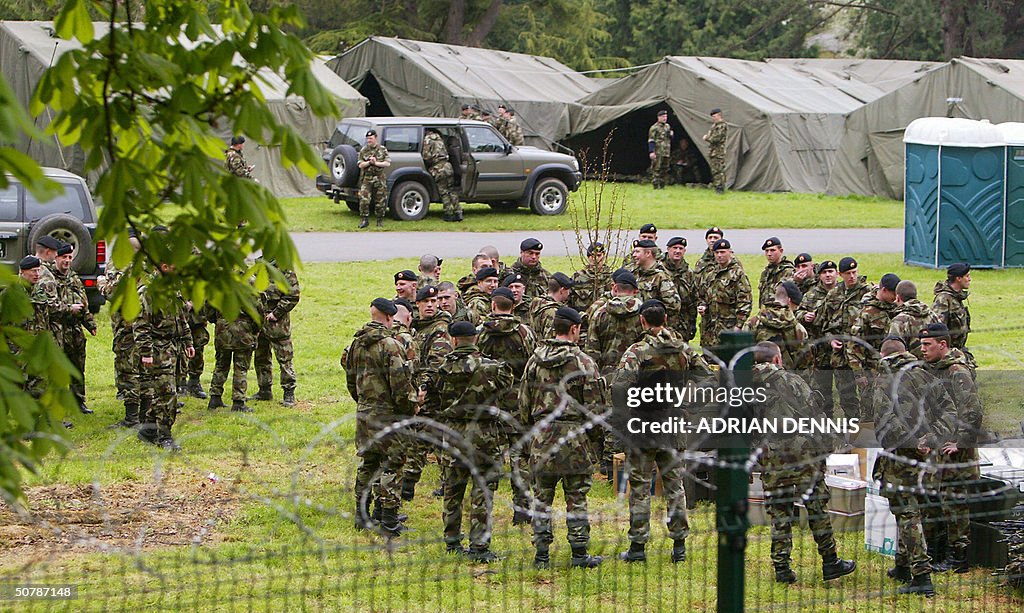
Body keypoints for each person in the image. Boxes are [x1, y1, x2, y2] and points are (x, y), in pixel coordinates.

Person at [751, 341, 857, 585]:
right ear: (777, 359)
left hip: (770, 455)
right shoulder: (791, 381)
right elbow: (814, 415)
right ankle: (830, 562)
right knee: (816, 506)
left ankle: (782, 568)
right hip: (803, 453)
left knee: (779, 510)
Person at [520, 307, 605, 569]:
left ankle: (541, 554)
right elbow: (595, 409)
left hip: (543, 434)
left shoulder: (535, 360)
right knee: (576, 496)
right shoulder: (584, 363)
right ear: (575, 329)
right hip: (574, 436)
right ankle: (579, 553)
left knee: (541, 497)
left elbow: (523, 402)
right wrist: (595, 439)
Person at [870, 336, 955, 597]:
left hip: (902, 459)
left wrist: (914, 441)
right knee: (913, 510)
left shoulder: (884, 381)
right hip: (928, 458)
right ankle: (902, 565)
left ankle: (921, 575)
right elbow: (950, 412)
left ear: (884, 356)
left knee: (907, 514)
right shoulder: (928, 376)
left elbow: (884, 423)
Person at [612, 301, 691, 564]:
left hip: (644, 426)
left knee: (640, 487)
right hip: (672, 424)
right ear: (665, 319)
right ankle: (679, 545)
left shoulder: (637, 351)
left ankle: (637, 546)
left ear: (642, 321)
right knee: (674, 485)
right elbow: (706, 376)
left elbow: (620, 386)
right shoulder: (682, 349)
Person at [434, 321, 514, 562]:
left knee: (452, 489)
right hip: (485, 434)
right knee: (483, 491)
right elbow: (507, 393)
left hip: (454, 431)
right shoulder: (494, 368)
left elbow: (435, 398)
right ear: (475, 339)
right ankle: (479, 545)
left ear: (454, 340)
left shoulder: (442, 369)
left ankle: (451, 540)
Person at [343, 298, 417, 536]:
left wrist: (362, 401)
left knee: (368, 463)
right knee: (392, 465)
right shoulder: (390, 345)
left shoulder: (356, 344)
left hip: (365, 412)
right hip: (388, 415)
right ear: (389, 318)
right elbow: (400, 384)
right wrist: (409, 407)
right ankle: (389, 520)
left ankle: (361, 515)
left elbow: (351, 379)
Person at [920, 322, 982, 575]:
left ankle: (959, 557)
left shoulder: (957, 371)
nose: (922, 349)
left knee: (953, 503)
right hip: (936, 446)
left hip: (954, 451)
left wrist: (961, 442)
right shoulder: (934, 369)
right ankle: (936, 552)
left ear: (942, 345)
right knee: (932, 497)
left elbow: (972, 410)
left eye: (927, 344)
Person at [476, 287, 537, 525]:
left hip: (488, 400)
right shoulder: (525, 333)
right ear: (513, 306)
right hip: (517, 401)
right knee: (520, 456)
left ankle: (484, 507)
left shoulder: (481, 332)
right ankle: (521, 508)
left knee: (488, 456)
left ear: (493, 305)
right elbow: (532, 366)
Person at [400, 285, 454, 501]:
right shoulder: (418, 327)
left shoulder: (440, 328)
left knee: (428, 439)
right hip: (423, 391)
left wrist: (422, 388)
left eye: (434, 302)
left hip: (434, 393)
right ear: (418, 305)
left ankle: (411, 485)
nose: (431, 305)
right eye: (426, 302)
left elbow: (436, 363)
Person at [135, 264, 195, 451]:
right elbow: (141, 325)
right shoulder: (147, 291)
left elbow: (181, 318)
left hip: (174, 347)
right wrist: (146, 353)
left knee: (166, 391)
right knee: (168, 393)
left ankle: (148, 430)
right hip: (158, 348)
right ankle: (165, 436)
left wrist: (188, 341)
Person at [819, 257, 871, 421]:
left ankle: (868, 433)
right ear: (840, 274)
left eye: (854, 272)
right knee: (846, 396)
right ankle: (852, 429)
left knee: (868, 395)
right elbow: (825, 324)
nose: (852, 277)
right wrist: (831, 339)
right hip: (840, 355)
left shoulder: (868, 293)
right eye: (848, 273)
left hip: (862, 354)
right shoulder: (833, 294)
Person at [53, 242, 97, 414]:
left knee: (78, 367)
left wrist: (90, 324)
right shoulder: (50, 279)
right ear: (56, 258)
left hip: (75, 330)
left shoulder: (74, 278)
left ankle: (78, 402)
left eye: (70, 257)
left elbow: (84, 302)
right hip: (59, 329)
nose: (67, 260)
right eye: (64, 257)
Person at [253, 266, 301, 406]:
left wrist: (276, 313)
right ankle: (264, 390)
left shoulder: (286, 270)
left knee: (284, 358)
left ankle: (289, 393)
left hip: (278, 324)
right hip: (260, 321)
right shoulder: (259, 267)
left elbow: (293, 295)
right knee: (261, 356)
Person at [797, 260, 839, 416]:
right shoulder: (812, 295)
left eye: (831, 272)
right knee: (822, 389)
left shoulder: (844, 292)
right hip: (820, 350)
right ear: (819, 276)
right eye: (824, 273)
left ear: (837, 273)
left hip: (840, 349)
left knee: (846, 389)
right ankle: (826, 422)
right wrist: (804, 316)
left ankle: (850, 427)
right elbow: (797, 313)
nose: (828, 275)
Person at [697, 239, 751, 349]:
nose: (719, 255)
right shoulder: (711, 274)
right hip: (710, 328)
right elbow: (702, 295)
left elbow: (745, 301)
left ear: (730, 252)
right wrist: (702, 305)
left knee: (727, 361)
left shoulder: (737, 274)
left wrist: (738, 325)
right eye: (717, 253)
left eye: (723, 252)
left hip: (728, 327)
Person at [207, 304, 259, 414]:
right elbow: (259, 310)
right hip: (243, 330)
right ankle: (238, 402)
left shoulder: (219, 286)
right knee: (241, 367)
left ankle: (214, 398)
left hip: (222, 329)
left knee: (221, 365)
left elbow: (209, 307)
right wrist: (254, 328)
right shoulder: (251, 287)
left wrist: (217, 320)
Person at [746, 281, 809, 370]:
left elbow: (742, 356)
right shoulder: (798, 329)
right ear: (789, 301)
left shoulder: (753, 323)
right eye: (795, 307)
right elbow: (805, 364)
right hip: (788, 380)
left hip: (758, 379)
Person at [847, 273, 900, 374]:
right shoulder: (867, 313)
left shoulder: (894, 306)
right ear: (884, 290)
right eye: (894, 294)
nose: (896, 298)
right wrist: (859, 374)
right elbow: (854, 345)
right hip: (872, 369)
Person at [932, 263, 974, 367]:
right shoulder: (943, 299)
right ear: (958, 278)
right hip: (948, 355)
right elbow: (937, 328)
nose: (970, 279)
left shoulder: (956, 298)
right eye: (967, 276)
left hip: (958, 350)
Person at [631, 239, 681, 324]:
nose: (634, 255)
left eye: (637, 252)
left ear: (648, 253)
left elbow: (673, 305)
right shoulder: (634, 274)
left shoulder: (661, 276)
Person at [887, 280, 939, 359]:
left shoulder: (899, 320)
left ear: (897, 298)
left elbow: (894, 351)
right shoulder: (932, 314)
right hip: (933, 364)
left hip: (911, 367)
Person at [661, 236, 698, 341]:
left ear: (684, 251)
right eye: (675, 248)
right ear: (668, 249)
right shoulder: (659, 270)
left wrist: (692, 323)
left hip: (682, 326)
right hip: (662, 323)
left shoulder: (688, 273)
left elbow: (693, 300)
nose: (677, 251)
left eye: (681, 249)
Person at [422, 128, 461, 222]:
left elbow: (426, 156)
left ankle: (448, 213)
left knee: (443, 191)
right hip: (448, 166)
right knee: (451, 190)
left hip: (438, 168)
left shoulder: (427, 140)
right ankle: (458, 212)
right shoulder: (440, 139)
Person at [357, 129, 391, 229]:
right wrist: (369, 162)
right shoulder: (364, 150)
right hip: (367, 178)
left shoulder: (382, 149)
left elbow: (387, 163)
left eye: (371, 138)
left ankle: (379, 220)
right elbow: (360, 164)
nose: (369, 140)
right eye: (367, 139)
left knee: (380, 200)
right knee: (364, 199)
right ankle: (364, 220)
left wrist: (376, 163)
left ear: (375, 138)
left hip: (379, 178)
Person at [570, 242, 612, 316]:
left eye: (599, 256)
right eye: (592, 256)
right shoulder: (578, 277)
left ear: (604, 256)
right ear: (588, 257)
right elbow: (567, 300)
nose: (596, 259)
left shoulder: (610, 277)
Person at [528, 273, 575, 338]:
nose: (569, 293)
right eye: (568, 290)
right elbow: (550, 338)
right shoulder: (554, 312)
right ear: (562, 290)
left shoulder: (536, 303)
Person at [758, 237, 795, 308]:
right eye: (767, 251)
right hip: (766, 314)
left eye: (772, 250)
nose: (769, 254)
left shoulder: (788, 271)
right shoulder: (766, 273)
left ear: (781, 251)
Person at [703, 108, 727, 193]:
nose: (713, 118)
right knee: (715, 170)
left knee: (719, 170)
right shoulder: (714, 126)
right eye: (712, 116)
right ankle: (717, 186)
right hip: (713, 151)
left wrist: (707, 138)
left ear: (719, 115)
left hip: (718, 152)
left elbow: (716, 138)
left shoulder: (722, 125)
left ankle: (720, 188)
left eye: (715, 116)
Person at [647, 109, 673, 190]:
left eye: (666, 116)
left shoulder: (667, 126)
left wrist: (671, 134)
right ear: (659, 117)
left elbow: (669, 138)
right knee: (657, 168)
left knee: (665, 168)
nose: (665, 118)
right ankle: (655, 185)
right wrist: (651, 152)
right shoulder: (654, 128)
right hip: (658, 151)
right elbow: (651, 140)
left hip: (666, 151)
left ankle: (662, 185)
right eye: (663, 116)